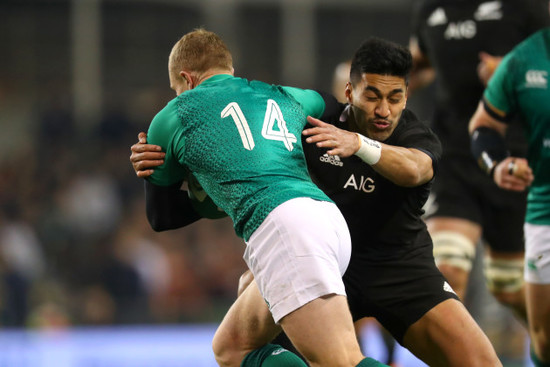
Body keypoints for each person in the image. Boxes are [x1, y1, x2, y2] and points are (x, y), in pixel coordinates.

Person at [132, 36, 503, 366]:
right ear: (348, 92)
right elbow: (253, 157)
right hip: (328, 252)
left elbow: (417, 169)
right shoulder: (306, 118)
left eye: (395, 98)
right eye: (371, 95)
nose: (383, 110)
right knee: (231, 348)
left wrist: (360, 145)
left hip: (396, 268)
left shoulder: (412, 133)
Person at [138, 28, 386, 367]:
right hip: (326, 220)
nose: (176, 94)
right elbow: (332, 106)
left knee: (341, 361)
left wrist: (207, 189)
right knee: (231, 348)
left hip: (285, 230)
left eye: (176, 88)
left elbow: (161, 217)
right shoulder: (283, 95)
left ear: (186, 78)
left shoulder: (176, 113)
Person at [409, 0, 550, 318]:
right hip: (453, 158)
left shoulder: (527, 7)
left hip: (515, 161)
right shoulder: (428, 9)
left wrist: (512, 73)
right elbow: (421, 59)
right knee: (447, 272)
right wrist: (376, 81)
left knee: (509, 286)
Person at [468, 27, 550, 366]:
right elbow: (483, 126)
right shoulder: (522, 61)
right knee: (546, 343)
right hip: (545, 212)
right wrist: (497, 164)